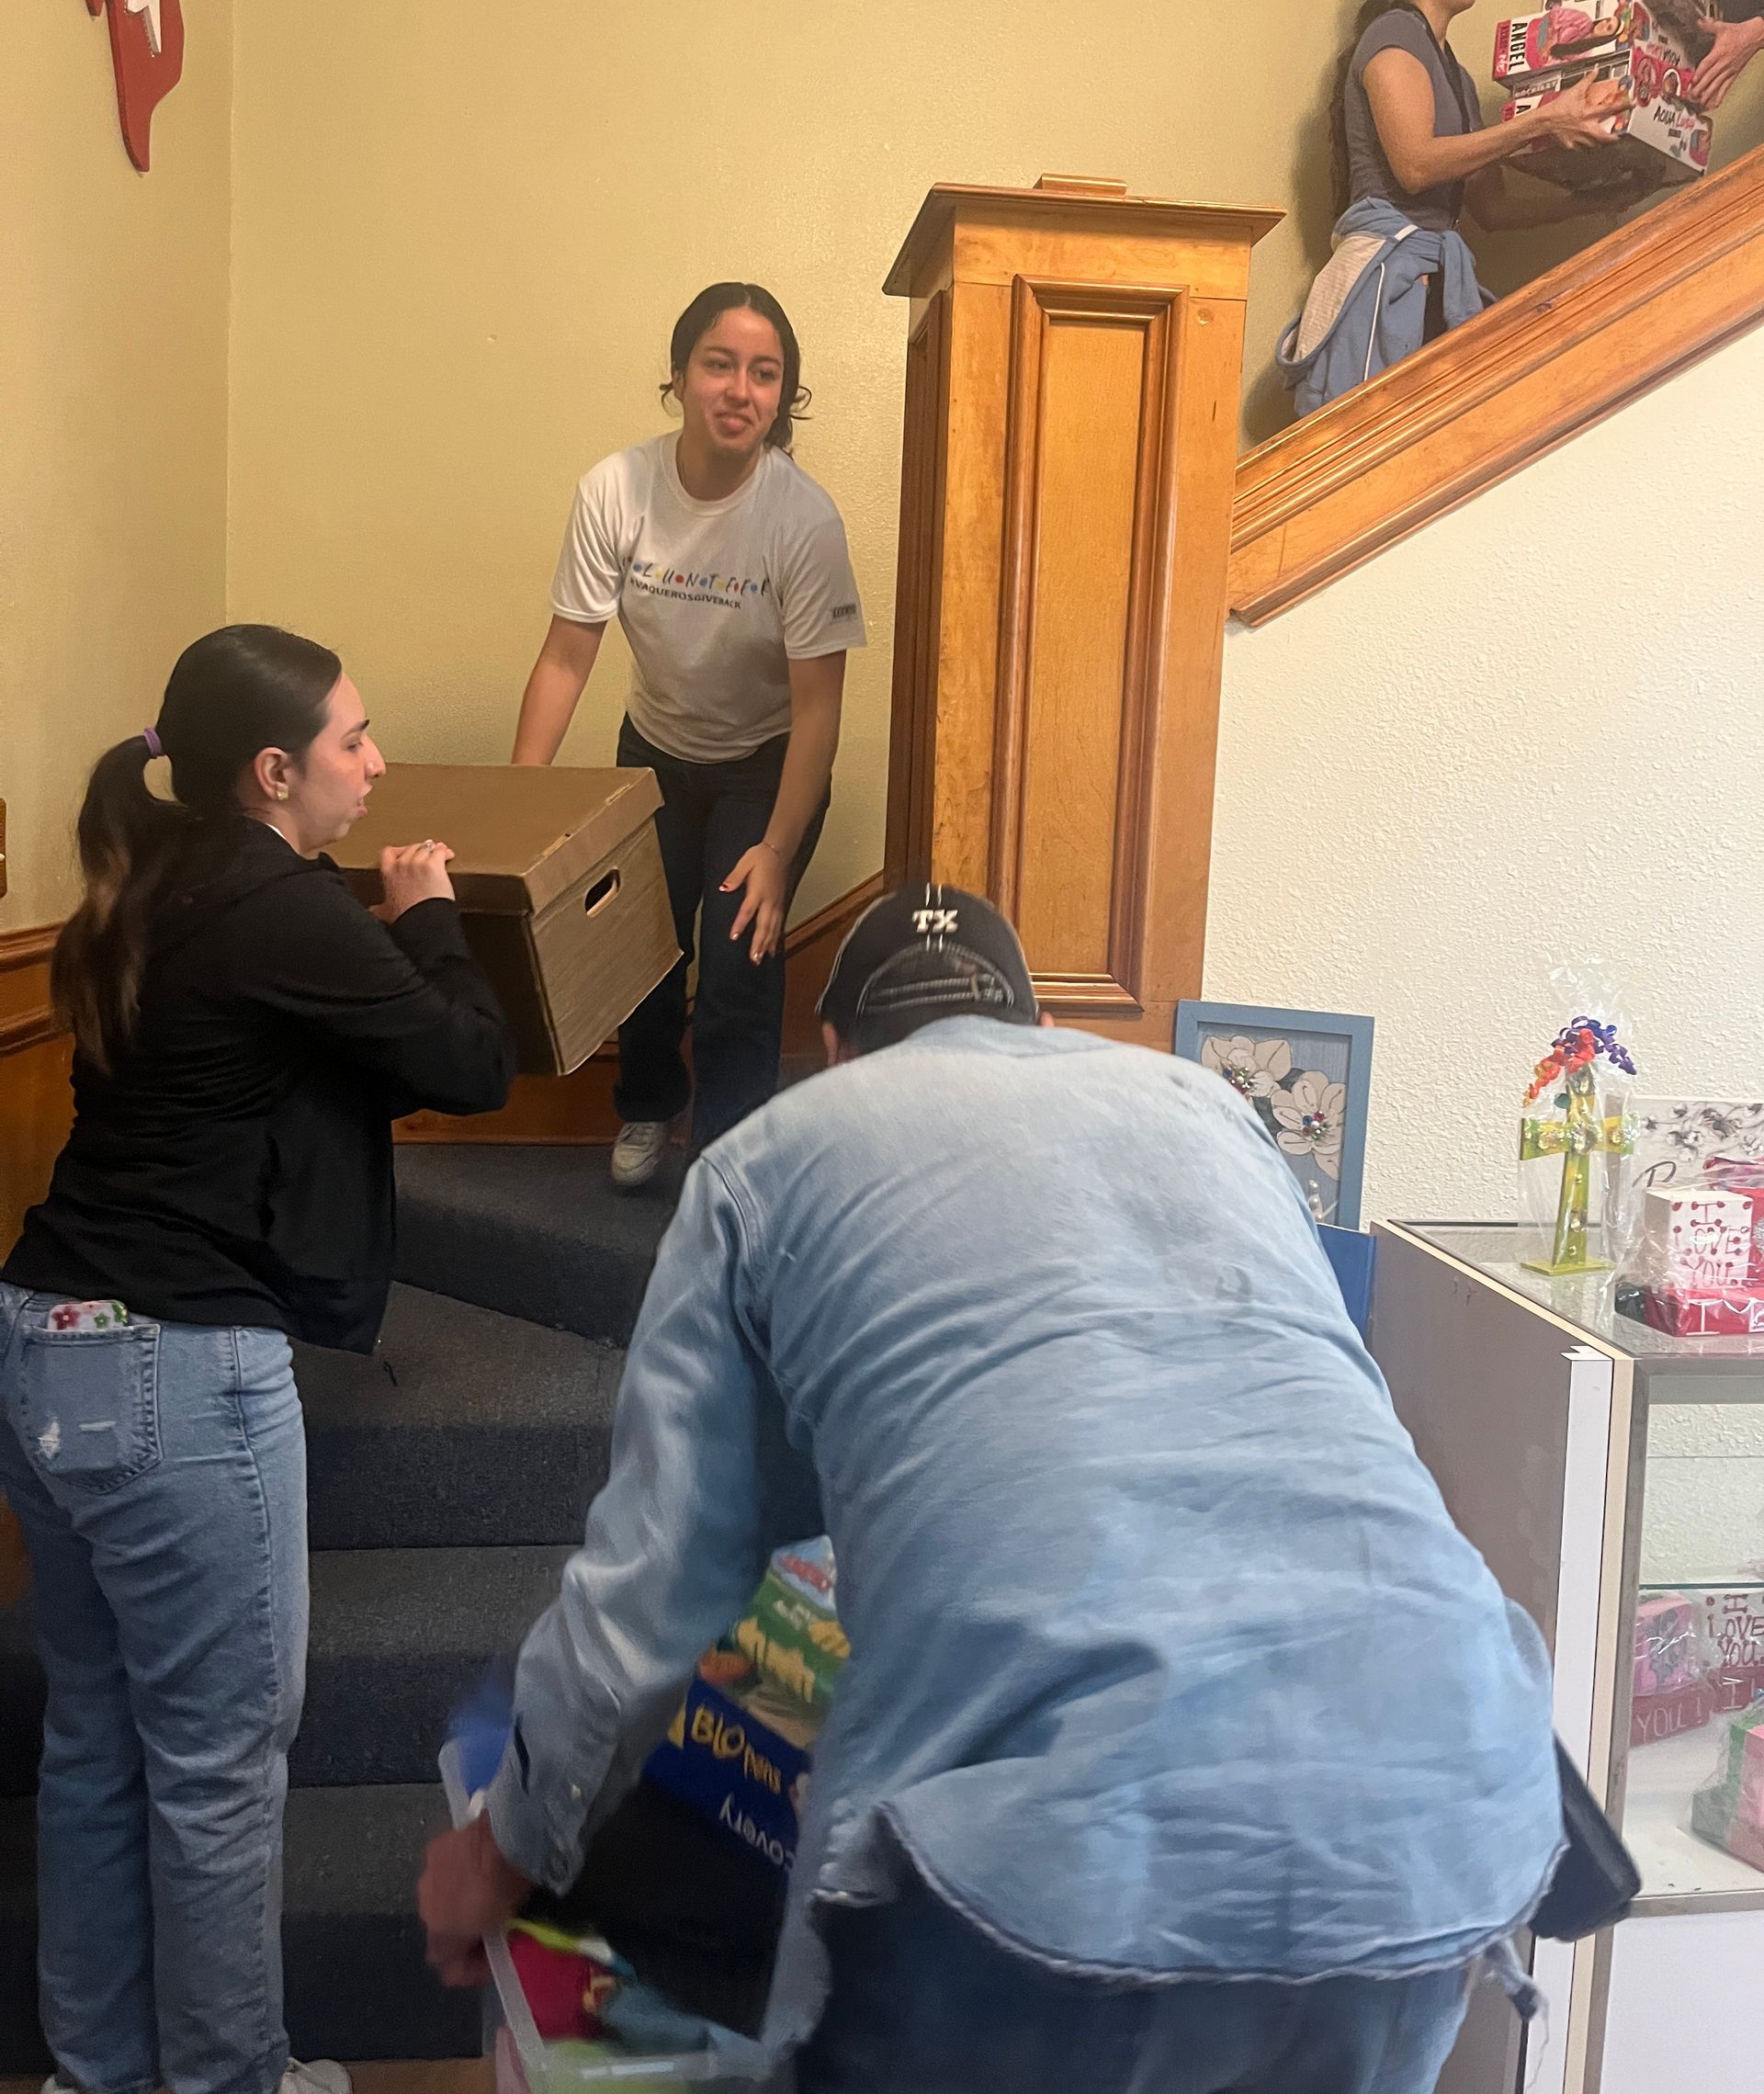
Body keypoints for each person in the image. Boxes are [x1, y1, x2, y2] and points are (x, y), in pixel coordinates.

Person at [417, 885, 1564, 2094]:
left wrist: (510, 1842)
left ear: (838, 1053)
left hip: (1055, 1883)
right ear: (1034, 1022)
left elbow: (652, 1600)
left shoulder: (768, 1161)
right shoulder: (1212, 1113)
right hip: (1445, 1817)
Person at [0, 625, 514, 2094]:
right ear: (275, 771)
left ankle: (104, 2076)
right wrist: (426, 913)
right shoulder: (282, 901)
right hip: (174, 1373)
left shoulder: (149, 884)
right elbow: (465, 1066)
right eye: (355, 741)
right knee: (220, 1769)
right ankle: (231, 2083)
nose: (377, 762)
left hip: (43, 1339)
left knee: (99, 1741)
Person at [513, 282, 865, 1192]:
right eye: (719, 364)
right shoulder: (615, 489)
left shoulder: (803, 521)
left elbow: (820, 709)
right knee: (643, 955)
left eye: (765, 372)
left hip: (767, 764)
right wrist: (518, 806)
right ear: (679, 377)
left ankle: (728, 1164)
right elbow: (565, 655)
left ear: (784, 397)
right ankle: (648, 1105)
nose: (739, 389)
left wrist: (779, 851)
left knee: (743, 956)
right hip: (658, 752)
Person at [1283, 0, 1632, 414]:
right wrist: (1542, 119)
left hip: (1431, 285)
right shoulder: (1393, 35)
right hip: (1386, 283)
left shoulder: (1458, 78)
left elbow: (1493, 208)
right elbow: (1417, 164)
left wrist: (1604, 199)